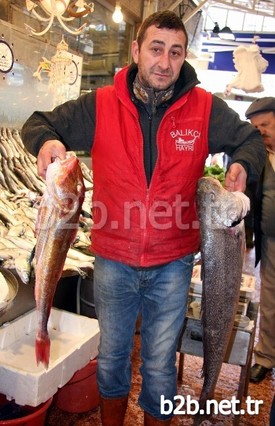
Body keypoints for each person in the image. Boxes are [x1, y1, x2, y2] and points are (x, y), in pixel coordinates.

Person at [21, 10, 265, 425]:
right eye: (155, 49)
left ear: (184, 55)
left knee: (158, 365)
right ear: (136, 51)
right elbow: (37, 124)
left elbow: (250, 140)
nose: (165, 62)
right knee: (112, 358)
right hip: (113, 259)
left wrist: (242, 162)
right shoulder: (99, 105)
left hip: (173, 263)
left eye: (175, 52)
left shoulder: (204, 107)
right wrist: (47, 142)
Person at [245, 97, 275, 384]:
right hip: (272, 242)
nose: (261, 131)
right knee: (270, 301)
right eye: (256, 127)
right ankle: (266, 357)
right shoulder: (259, 157)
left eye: (265, 124)